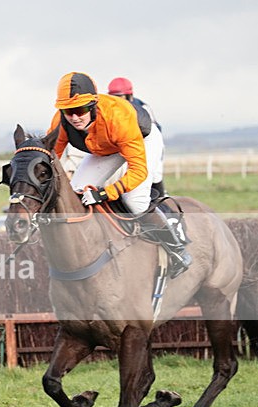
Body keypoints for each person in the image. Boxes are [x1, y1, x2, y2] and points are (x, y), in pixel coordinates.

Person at [48, 71, 191, 277]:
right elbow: (51, 156)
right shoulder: (61, 121)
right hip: (106, 146)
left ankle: (176, 246)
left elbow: (138, 171)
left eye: (80, 110)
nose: (75, 117)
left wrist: (105, 193)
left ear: (93, 106)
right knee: (76, 191)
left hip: (142, 139)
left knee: (134, 201)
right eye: (68, 111)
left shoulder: (119, 118)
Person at [108, 76, 166, 197]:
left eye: (120, 97)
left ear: (129, 97)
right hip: (126, 144)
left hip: (148, 142)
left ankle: (163, 203)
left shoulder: (143, 109)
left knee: (154, 174)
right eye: (113, 98)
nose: (116, 101)